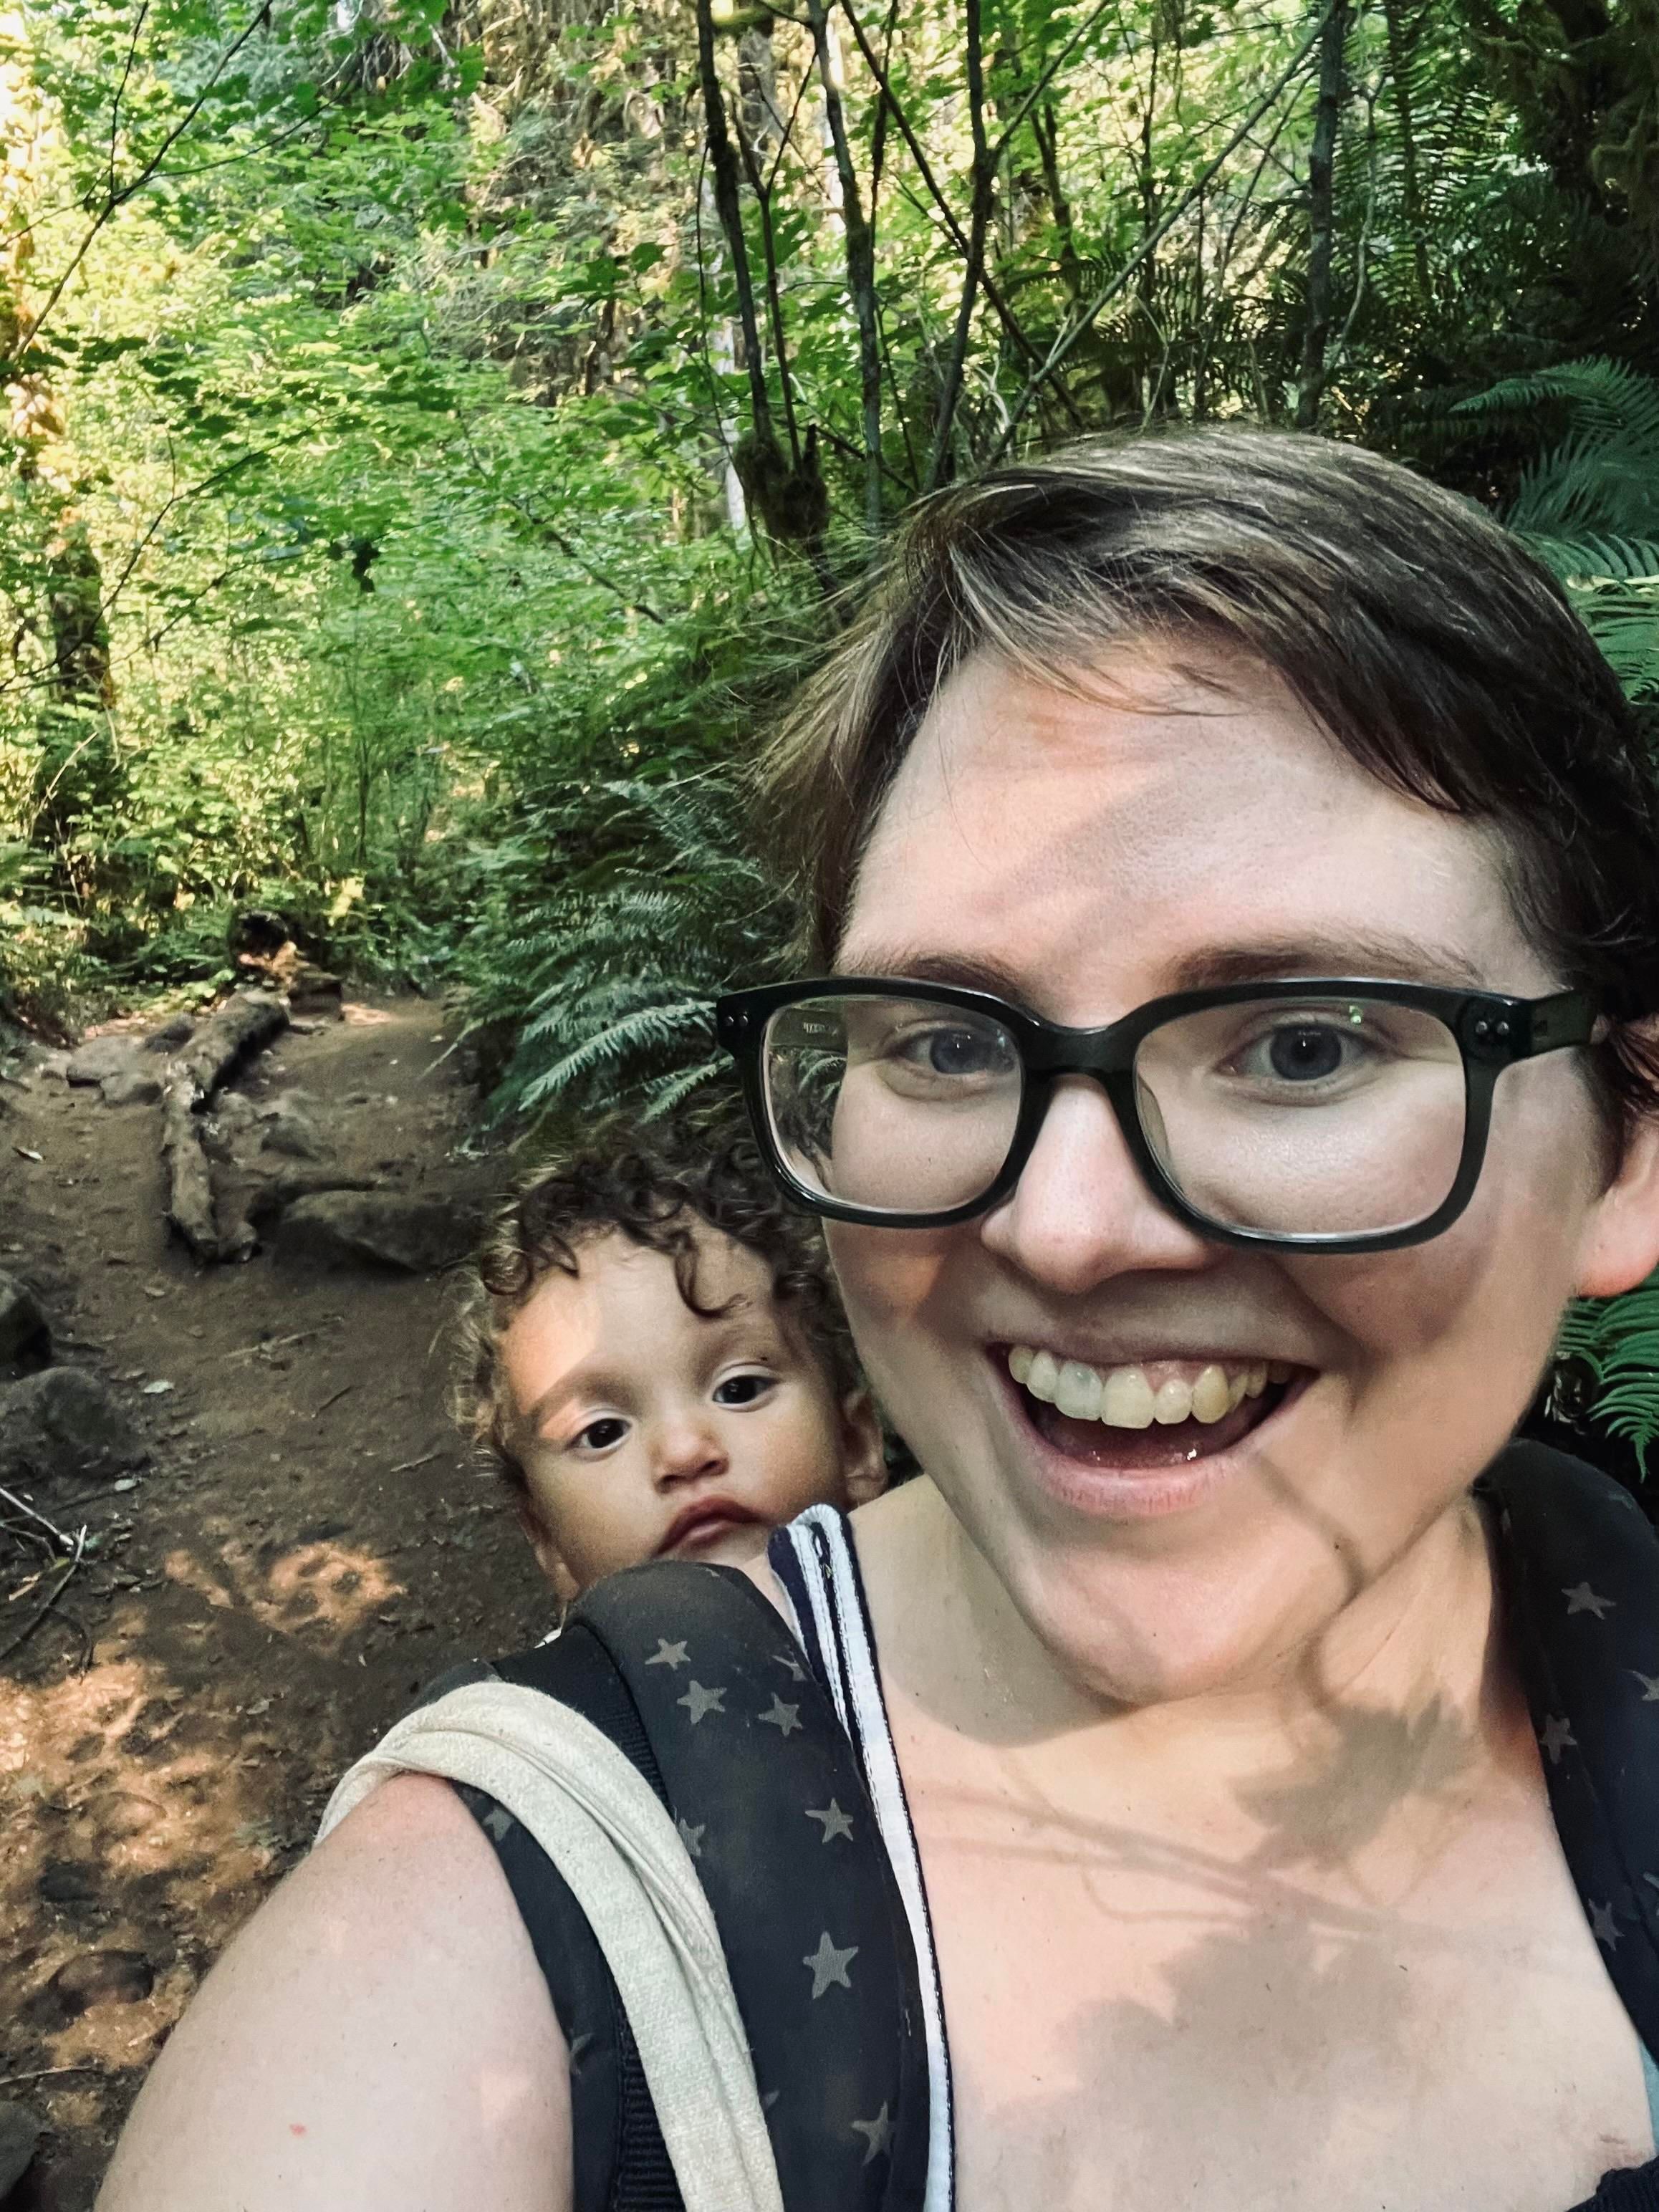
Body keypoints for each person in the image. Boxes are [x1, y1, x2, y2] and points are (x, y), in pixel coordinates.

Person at [100, 427, 1659, 2212]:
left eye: (1302, 1044)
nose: (1062, 1225)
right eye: (942, 1038)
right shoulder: (505, 1921)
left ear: (1623, 1142)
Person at [450, 1110, 888, 1610]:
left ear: (854, 1445)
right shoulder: (562, 1672)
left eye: (739, 1389)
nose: (684, 1453)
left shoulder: (944, 1633)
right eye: (602, 1433)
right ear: (546, 1537)